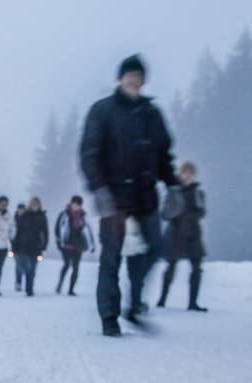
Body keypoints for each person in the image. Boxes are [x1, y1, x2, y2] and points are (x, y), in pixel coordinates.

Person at [80, 54, 179, 336]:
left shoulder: (152, 114)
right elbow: (89, 154)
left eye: (138, 75)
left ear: (144, 80)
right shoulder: (102, 111)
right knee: (112, 259)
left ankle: (134, 306)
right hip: (114, 201)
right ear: (120, 78)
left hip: (146, 199)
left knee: (154, 249)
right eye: (129, 74)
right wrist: (99, 189)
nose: (134, 79)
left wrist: (172, 185)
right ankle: (109, 317)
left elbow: (163, 155)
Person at [157, 162, 208, 312]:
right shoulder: (173, 192)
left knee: (197, 269)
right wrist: (176, 210)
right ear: (181, 174)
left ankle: (193, 303)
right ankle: (162, 300)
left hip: (193, 234)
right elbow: (165, 214)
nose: (188, 176)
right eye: (185, 173)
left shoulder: (198, 192)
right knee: (170, 268)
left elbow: (202, 213)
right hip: (175, 234)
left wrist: (196, 210)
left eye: (191, 173)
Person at [55, 195, 95, 296]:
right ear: (71, 203)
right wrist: (59, 242)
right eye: (75, 204)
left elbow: (88, 230)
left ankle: (71, 289)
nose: (76, 206)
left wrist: (92, 244)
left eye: (78, 205)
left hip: (78, 245)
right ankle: (60, 284)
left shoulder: (83, 216)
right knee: (67, 264)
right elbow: (58, 229)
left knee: (76, 267)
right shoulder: (64, 214)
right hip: (66, 245)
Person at [13, 198, 49, 296]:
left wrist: (44, 244)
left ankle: (29, 288)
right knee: (25, 267)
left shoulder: (42, 217)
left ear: (39, 205)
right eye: (33, 204)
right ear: (30, 205)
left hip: (36, 247)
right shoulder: (24, 216)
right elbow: (18, 231)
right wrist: (14, 245)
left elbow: (45, 232)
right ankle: (21, 283)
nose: (35, 206)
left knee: (32, 269)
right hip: (23, 246)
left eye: (36, 204)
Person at [121, 217, 150, 322]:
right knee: (136, 278)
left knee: (135, 278)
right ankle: (135, 304)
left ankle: (135, 303)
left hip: (133, 246)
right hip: (135, 246)